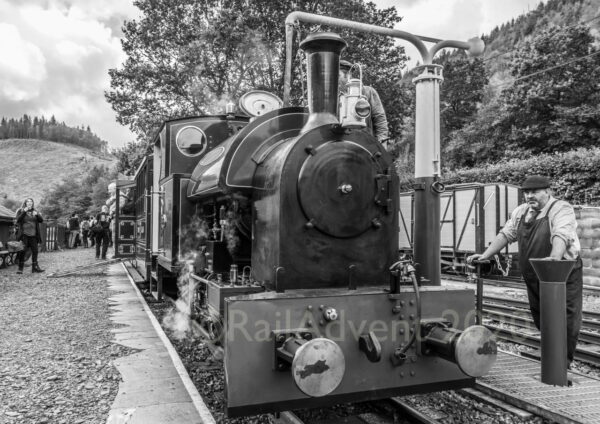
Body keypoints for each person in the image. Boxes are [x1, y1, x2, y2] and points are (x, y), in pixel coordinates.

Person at [467, 175, 582, 365]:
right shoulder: (521, 211)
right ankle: (552, 354)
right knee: (541, 316)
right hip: (534, 273)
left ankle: (561, 363)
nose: (529, 196)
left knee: (566, 317)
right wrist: (485, 255)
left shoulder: (561, 208)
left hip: (562, 273)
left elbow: (561, 233)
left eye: (534, 192)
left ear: (548, 191)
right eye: (526, 193)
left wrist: (554, 257)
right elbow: (506, 234)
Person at [339, 59, 389, 146]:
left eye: (338, 76)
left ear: (347, 76)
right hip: (341, 145)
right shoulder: (333, 98)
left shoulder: (368, 92)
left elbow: (380, 119)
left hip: (366, 144)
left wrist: (382, 141)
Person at [14, 198, 45, 274]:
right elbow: (18, 220)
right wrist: (24, 211)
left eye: (31, 201)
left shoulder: (35, 211)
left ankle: (35, 268)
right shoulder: (21, 211)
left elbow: (41, 220)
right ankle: (20, 268)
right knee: (22, 251)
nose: (29, 203)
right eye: (28, 201)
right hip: (24, 235)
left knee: (35, 251)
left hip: (34, 235)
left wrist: (37, 215)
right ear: (25, 203)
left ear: (32, 203)